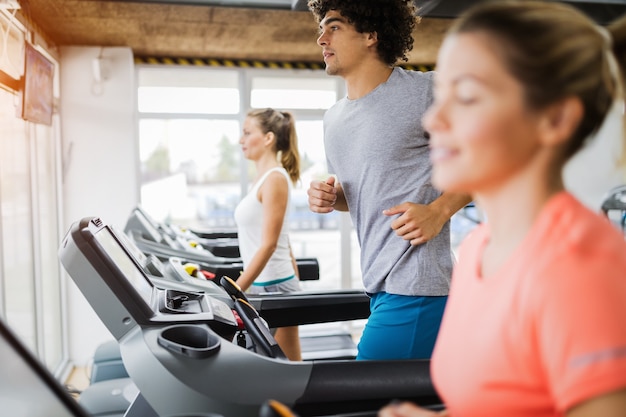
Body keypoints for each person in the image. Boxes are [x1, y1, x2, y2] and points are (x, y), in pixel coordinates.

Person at [379, 1, 626, 416]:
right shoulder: (480, 246)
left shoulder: (579, 264)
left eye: (467, 96)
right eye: (440, 96)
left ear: (555, 118)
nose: (434, 120)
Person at [306, 0, 472, 361]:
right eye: (321, 28)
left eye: (333, 26)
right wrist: (333, 199)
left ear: (370, 34)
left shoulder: (427, 91)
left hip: (419, 288)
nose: (321, 38)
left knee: (361, 398)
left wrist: (439, 210)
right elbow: (365, 194)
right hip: (379, 288)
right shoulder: (333, 119)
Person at [233, 108, 302, 361]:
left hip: (275, 287)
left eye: (247, 133)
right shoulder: (262, 179)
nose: (241, 140)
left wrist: (235, 290)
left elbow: (270, 244)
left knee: (288, 371)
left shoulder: (275, 179)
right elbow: (284, 239)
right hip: (265, 286)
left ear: (268, 138)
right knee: (270, 370)